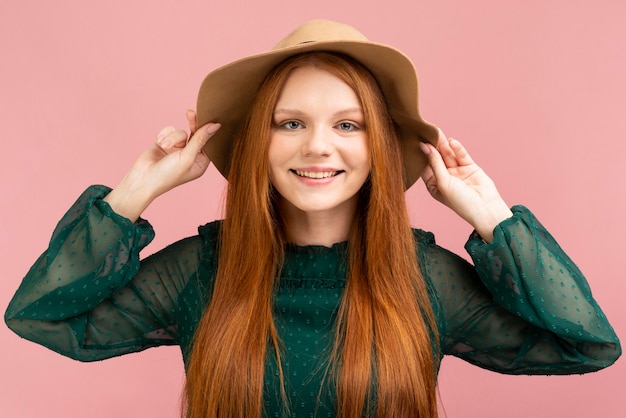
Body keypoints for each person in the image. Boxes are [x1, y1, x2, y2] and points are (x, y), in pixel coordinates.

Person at [4, 20, 621, 418]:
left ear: (379, 144)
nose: (318, 147)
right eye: (290, 123)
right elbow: (38, 316)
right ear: (258, 145)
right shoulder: (202, 271)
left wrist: (493, 219)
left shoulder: (424, 278)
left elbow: (586, 346)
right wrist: (133, 193)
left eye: (347, 125)